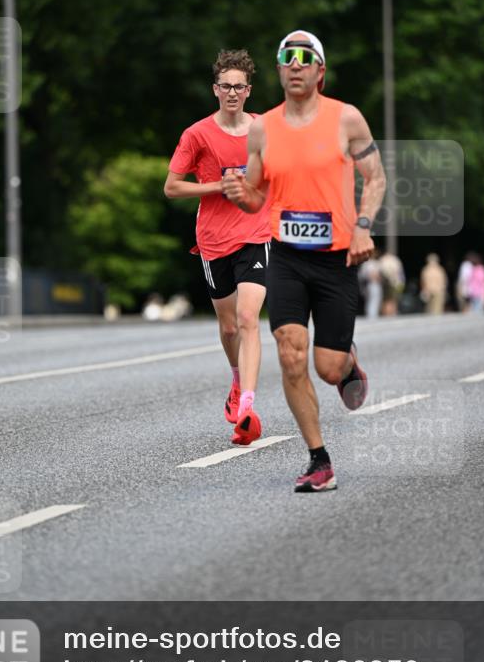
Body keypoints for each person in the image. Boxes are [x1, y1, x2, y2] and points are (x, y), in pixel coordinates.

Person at [223, 30, 386, 493]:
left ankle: (348, 366)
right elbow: (255, 198)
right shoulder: (262, 128)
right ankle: (319, 460)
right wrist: (240, 194)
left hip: (336, 258)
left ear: (320, 70)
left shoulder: (346, 119)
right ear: (279, 70)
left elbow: (375, 178)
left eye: (304, 57)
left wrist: (363, 226)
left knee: (326, 369)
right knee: (290, 354)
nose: (295, 64)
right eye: (286, 58)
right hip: (288, 258)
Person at [164, 49, 271, 446]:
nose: (231, 92)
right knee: (228, 327)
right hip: (213, 238)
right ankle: (237, 377)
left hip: (256, 233)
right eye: (225, 86)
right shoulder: (197, 135)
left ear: (248, 91)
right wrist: (217, 187)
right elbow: (171, 186)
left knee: (248, 319)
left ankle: (247, 408)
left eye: (238, 87)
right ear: (215, 90)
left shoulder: (265, 128)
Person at [378, 250, 405, 315]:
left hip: (387, 283)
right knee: (392, 299)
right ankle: (392, 312)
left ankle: (387, 313)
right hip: (395, 283)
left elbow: (381, 271)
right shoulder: (395, 260)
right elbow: (400, 272)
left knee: (387, 300)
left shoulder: (382, 260)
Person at [358, 248, 383, 319]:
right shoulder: (373, 263)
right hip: (373, 284)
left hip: (367, 285)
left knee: (369, 301)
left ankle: (370, 315)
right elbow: (373, 275)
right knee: (374, 300)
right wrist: (378, 278)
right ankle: (372, 316)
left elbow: (361, 275)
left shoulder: (365, 263)